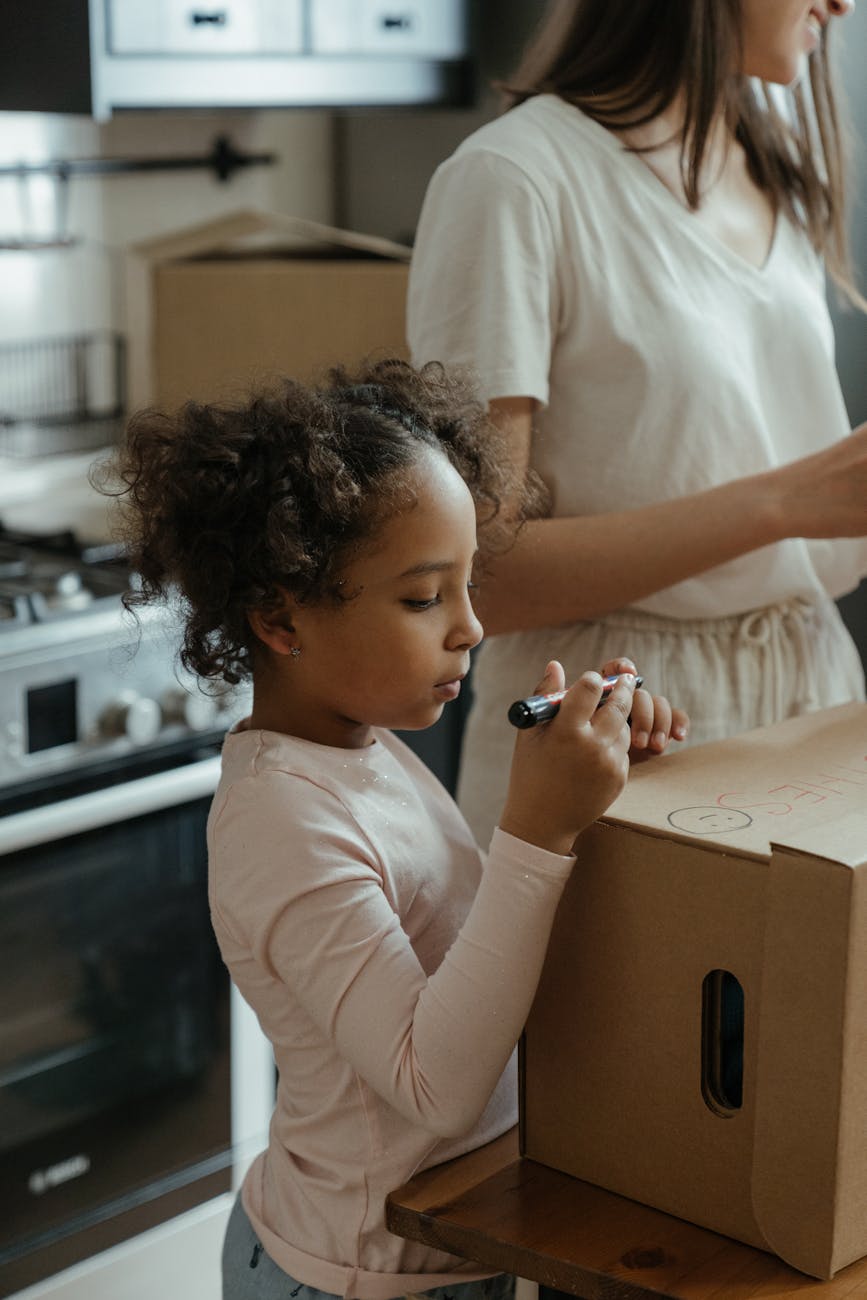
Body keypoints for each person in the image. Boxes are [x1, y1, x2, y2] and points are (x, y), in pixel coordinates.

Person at [103, 358, 687, 1300]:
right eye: (423, 598)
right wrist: (536, 831)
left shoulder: (362, 742)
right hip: (349, 1273)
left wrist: (595, 795)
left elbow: (467, 951)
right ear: (280, 620)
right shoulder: (279, 821)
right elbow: (432, 1086)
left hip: (459, 1239)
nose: (470, 628)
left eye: (465, 587)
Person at [407, 0, 867, 850]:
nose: (843, 4)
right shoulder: (515, 178)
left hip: (816, 698)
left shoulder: (766, 148)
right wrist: (790, 502)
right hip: (615, 724)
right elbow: (476, 581)